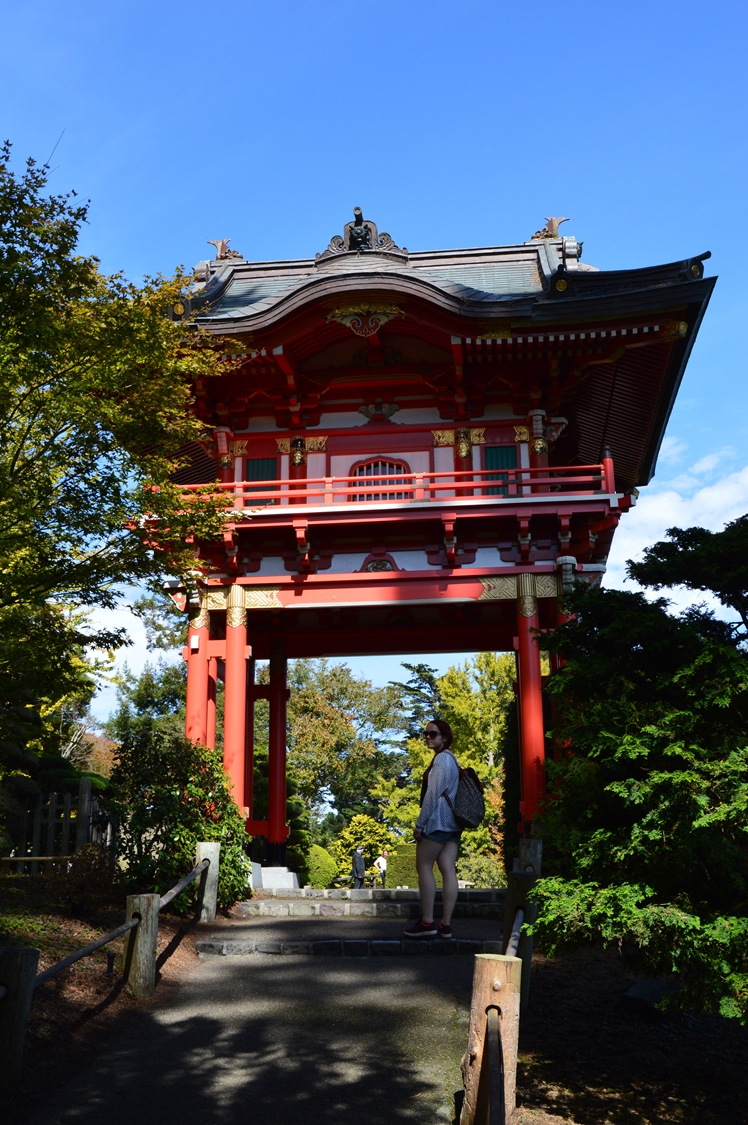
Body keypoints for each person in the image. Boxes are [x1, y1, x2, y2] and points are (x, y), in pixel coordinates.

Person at [403, 718, 460, 940]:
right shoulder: (452, 760)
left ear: (445, 737)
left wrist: (419, 824)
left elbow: (432, 795)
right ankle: (445, 925)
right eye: (425, 734)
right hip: (454, 824)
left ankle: (427, 921)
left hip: (439, 821)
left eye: (433, 734)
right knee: (448, 869)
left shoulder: (442, 761)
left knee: (424, 866)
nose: (427, 737)